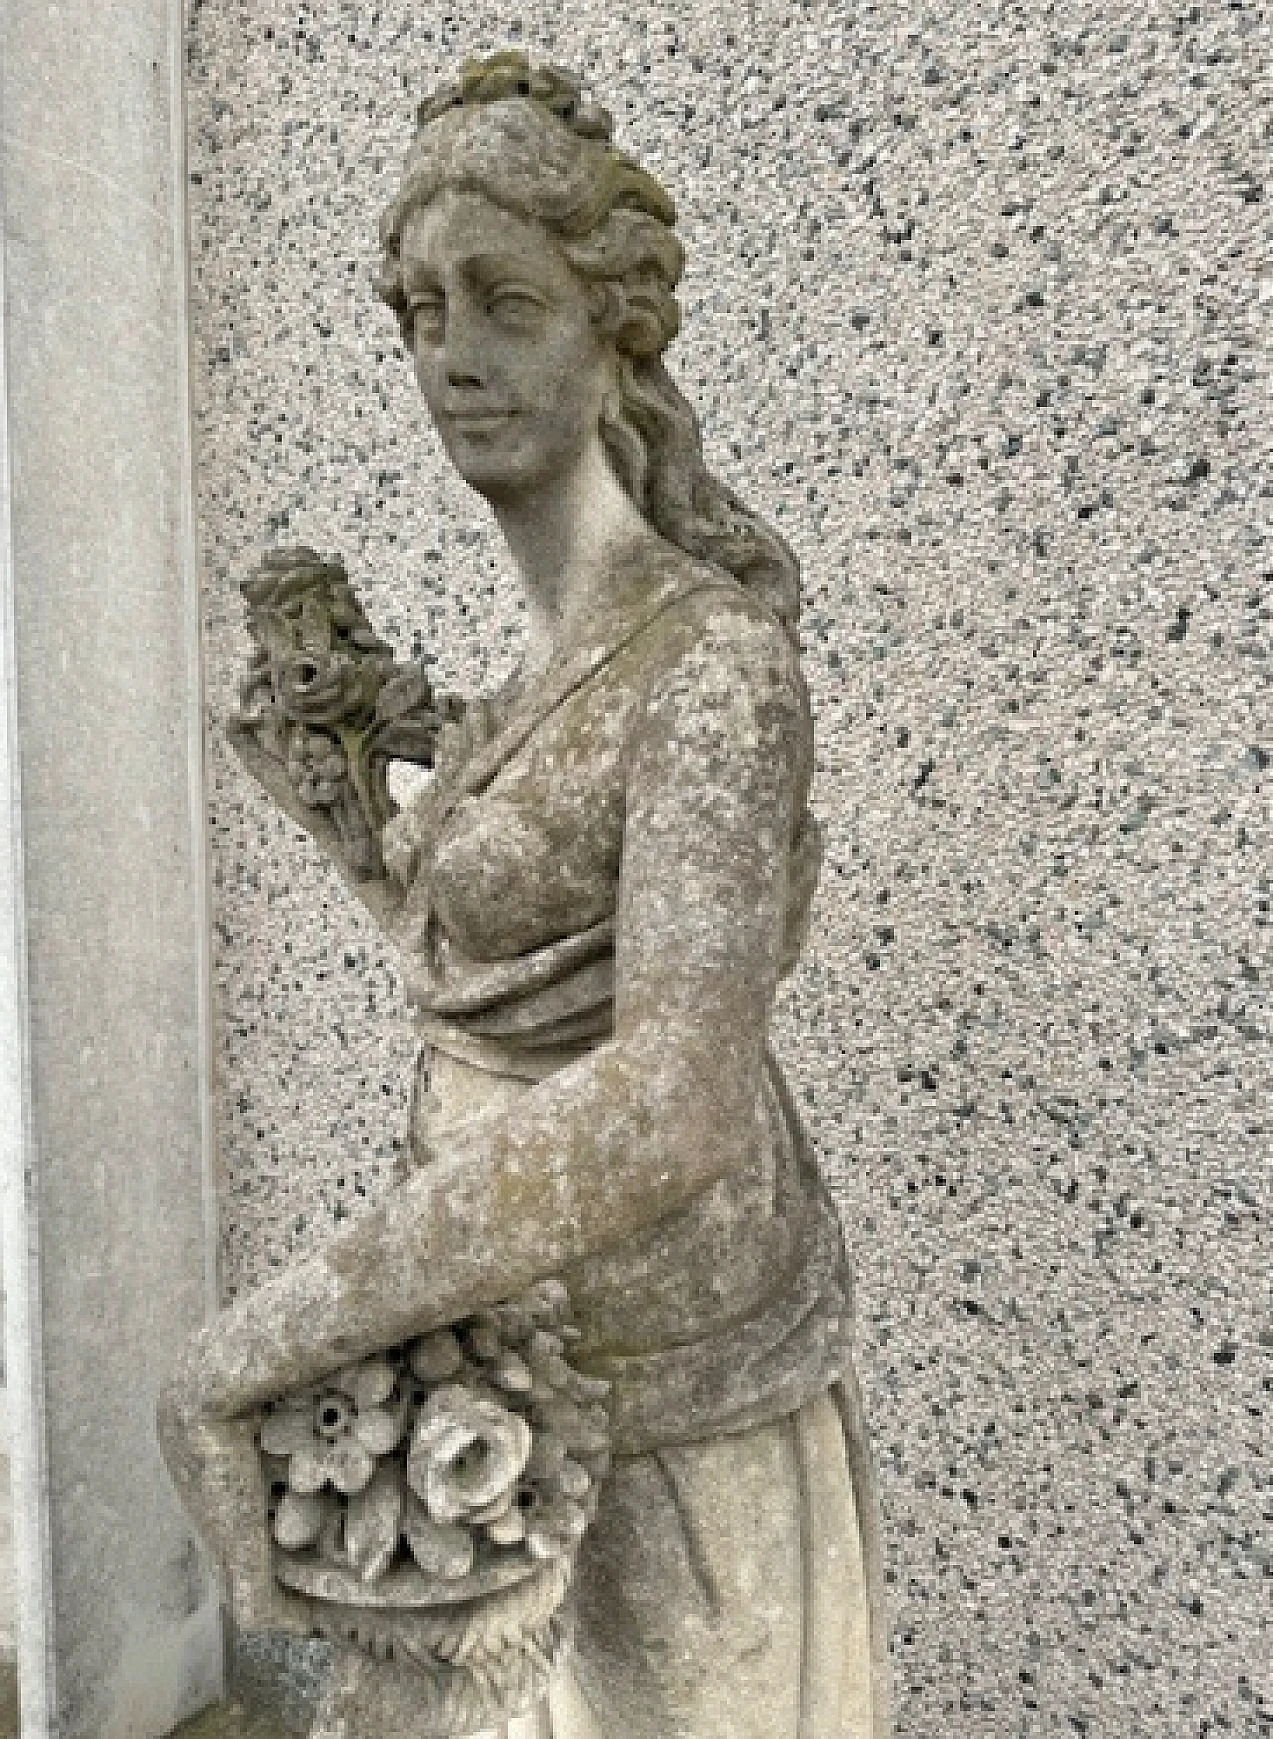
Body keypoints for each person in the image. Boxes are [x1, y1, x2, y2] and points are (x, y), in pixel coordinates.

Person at [158, 50, 891, 1739]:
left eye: (505, 299)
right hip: (489, 1382)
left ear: (614, 328)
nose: (450, 352)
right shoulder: (544, 673)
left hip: (677, 1430)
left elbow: (670, 1101)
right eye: (420, 307)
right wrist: (355, 807)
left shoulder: (709, 665)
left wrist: (259, 1337)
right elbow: (505, 982)